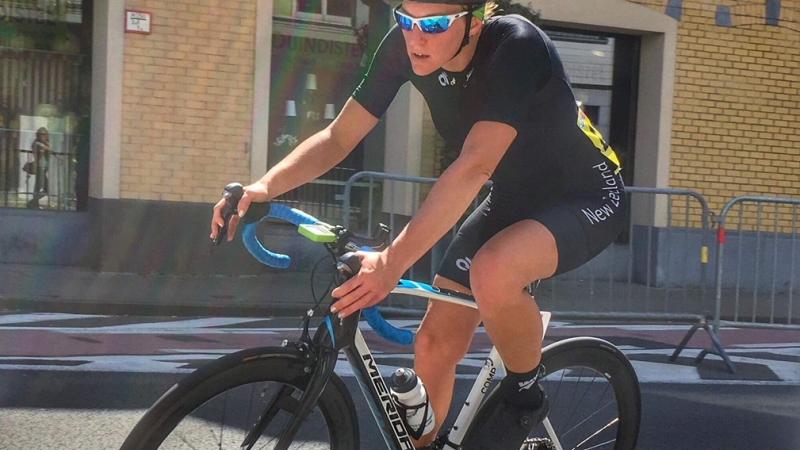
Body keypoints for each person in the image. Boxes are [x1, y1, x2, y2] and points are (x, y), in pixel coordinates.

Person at [211, 1, 626, 448]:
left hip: (586, 195)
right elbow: (339, 137)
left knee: (493, 271)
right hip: (513, 198)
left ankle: (525, 394)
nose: (416, 36)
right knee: (431, 345)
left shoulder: (516, 46)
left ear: (475, 21)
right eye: (406, 19)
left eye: (433, 23)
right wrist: (263, 188)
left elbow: (473, 167)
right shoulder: (402, 49)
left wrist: (392, 262)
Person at [27, 126, 51, 209]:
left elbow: (49, 148)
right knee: (41, 186)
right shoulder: (37, 143)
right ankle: (33, 202)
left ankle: (34, 202)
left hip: (43, 168)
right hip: (39, 167)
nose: (43, 136)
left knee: (41, 187)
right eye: (41, 135)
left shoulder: (43, 143)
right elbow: (48, 148)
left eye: (45, 134)